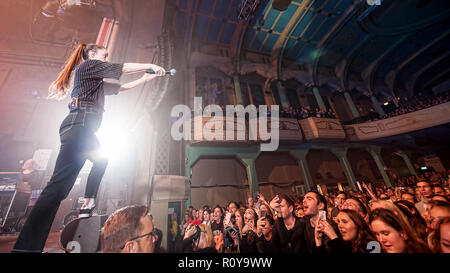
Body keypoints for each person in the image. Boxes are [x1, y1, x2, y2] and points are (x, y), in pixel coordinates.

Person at [12, 43, 165, 253]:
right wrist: (151, 64)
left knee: (58, 189)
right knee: (98, 162)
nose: (107, 58)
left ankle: (29, 247)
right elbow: (121, 68)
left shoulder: (94, 81)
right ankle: (87, 203)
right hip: (80, 125)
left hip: (79, 128)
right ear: (92, 54)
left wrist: (146, 78)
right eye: (105, 54)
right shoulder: (89, 66)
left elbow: (120, 88)